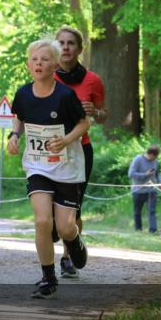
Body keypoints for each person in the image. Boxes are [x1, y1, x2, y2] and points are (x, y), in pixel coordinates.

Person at [8, 38, 90, 298]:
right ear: (28, 65)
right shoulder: (22, 93)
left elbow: (84, 123)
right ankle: (48, 277)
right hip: (37, 166)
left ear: (55, 64)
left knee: (65, 227)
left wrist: (66, 139)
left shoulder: (65, 95)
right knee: (42, 220)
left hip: (67, 166)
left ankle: (74, 240)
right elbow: (18, 117)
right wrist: (14, 136)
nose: (39, 63)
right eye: (34, 59)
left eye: (44, 59)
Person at [53, 26, 107, 278]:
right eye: (61, 42)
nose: (65, 47)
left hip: (79, 150)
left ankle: (67, 257)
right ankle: (58, 231)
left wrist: (95, 112)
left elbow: (104, 114)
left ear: (79, 49)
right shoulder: (46, 75)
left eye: (70, 43)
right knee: (52, 210)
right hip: (49, 150)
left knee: (74, 208)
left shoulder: (92, 80)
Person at [129, 145, 161, 234]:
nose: (155, 159)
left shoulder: (155, 161)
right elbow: (131, 174)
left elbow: (158, 173)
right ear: (150, 154)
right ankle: (138, 230)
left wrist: (160, 182)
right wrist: (145, 174)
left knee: (152, 211)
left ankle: (153, 231)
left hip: (151, 190)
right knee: (137, 211)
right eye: (154, 157)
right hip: (138, 190)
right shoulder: (138, 159)